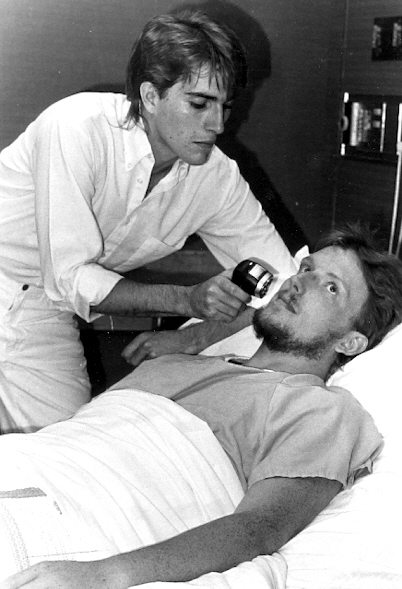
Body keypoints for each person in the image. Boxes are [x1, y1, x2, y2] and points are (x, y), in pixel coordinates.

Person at [2, 224, 402, 589]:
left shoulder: (321, 409)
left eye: (331, 288)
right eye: (306, 270)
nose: (299, 284)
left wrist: (106, 576)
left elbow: (260, 528)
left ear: (350, 342)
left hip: (75, 524)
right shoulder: (176, 363)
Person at [0, 10, 298, 434]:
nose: (216, 125)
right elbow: (70, 276)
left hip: (43, 311)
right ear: (151, 96)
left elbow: (282, 282)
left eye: (225, 107)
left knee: (65, 454)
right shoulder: (76, 127)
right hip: (20, 275)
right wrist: (186, 301)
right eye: (199, 103)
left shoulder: (216, 177)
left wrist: (193, 337)